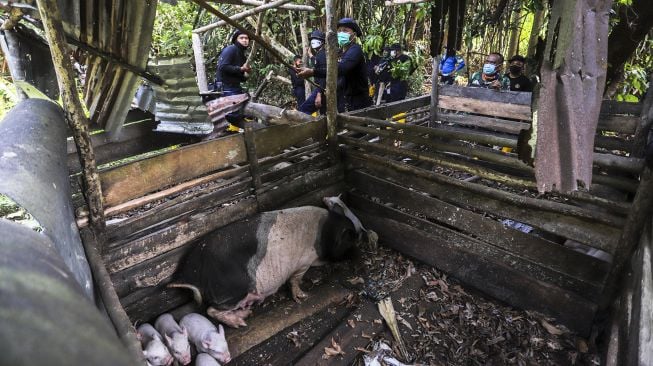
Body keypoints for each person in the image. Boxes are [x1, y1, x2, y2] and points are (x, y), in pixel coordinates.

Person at [214, 29, 252, 133]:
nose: (245, 40)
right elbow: (223, 67)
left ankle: (235, 130)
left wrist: (246, 73)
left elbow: (241, 77)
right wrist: (241, 69)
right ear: (236, 40)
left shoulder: (241, 54)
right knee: (232, 113)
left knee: (241, 109)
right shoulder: (231, 49)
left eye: (247, 38)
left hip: (234, 86)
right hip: (226, 86)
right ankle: (228, 131)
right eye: (242, 38)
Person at [335, 17, 372, 111]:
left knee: (358, 123)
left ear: (354, 35)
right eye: (339, 31)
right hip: (345, 99)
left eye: (345, 30)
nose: (341, 33)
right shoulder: (340, 53)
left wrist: (313, 72)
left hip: (357, 100)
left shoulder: (355, 50)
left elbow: (341, 69)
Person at [297, 29, 327, 115]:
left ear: (322, 42)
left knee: (303, 111)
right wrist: (310, 55)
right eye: (312, 39)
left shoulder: (322, 55)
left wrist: (319, 94)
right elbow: (317, 63)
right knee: (323, 113)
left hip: (321, 89)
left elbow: (323, 75)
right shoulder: (320, 54)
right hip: (321, 89)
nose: (313, 41)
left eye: (316, 39)